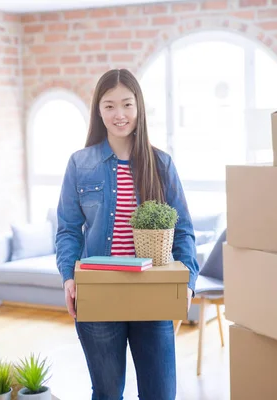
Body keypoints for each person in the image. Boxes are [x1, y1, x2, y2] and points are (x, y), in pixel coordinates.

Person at [55, 68, 199, 400]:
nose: (119, 115)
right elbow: (67, 230)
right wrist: (68, 277)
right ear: (98, 110)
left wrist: (187, 282)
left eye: (126, 104)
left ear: (139, 107)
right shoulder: (80, 163)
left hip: (153, 295)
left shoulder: (161, 164)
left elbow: (184, 231)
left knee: (161, 394)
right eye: (109, 106)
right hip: (99, 292)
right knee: (107, 393)